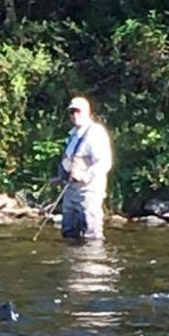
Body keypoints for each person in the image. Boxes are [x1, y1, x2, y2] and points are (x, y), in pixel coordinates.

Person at [55, 95, 113, 239]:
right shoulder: (73, 135)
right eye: (72, 112)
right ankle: (71, 259)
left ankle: (92, 260)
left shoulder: (96, 133)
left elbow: (105, 162)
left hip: (88, 191)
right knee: (68, 232)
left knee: (91, 233)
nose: (75, 115)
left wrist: (85, 176)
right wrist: (60, 176)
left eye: (78, 111)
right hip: (70, 189)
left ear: (88, 112)